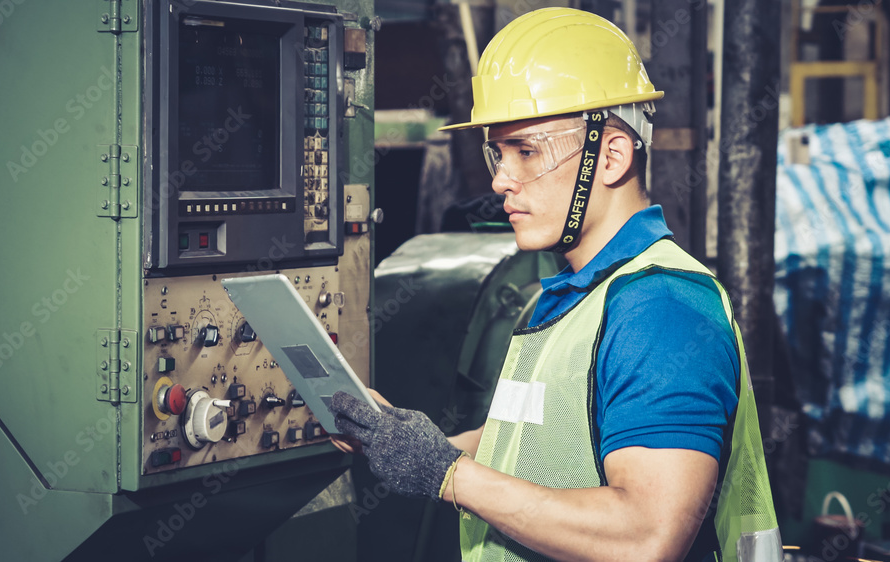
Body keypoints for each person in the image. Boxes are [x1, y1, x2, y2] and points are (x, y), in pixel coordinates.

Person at [329, 8, 780, 561]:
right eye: (498, 152)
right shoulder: (568, 296)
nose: (500, 179)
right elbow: (530, 448)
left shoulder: (661, 307)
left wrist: (449, 474)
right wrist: (406, 444)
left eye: (527, 151)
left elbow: (646, 536)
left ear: (611, 155)